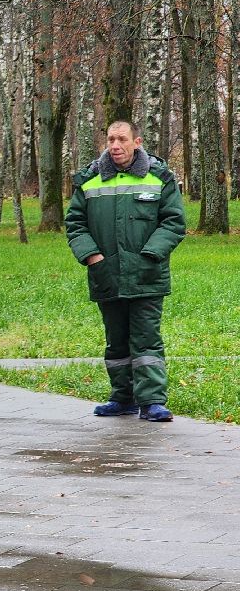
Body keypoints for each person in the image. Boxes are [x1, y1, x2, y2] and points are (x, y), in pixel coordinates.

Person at [64, 120, 186, 422]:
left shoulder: (160, 178)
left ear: (137, 142)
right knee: (116, 340)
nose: (115, 146)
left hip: (147, 274)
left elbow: (173, 222)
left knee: (146, 339)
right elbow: (75, 223)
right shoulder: (89, 180)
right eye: (110, 140)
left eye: (121, 139)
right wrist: (92, 257)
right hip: (106, 273)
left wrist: (150, 255)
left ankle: (153, 400)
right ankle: (122, 398)